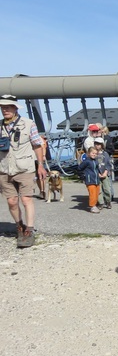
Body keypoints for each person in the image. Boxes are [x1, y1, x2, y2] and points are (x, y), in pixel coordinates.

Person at [0, 95, 48, 248]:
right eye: (2, 107)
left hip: (24, 168)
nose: (4, 109)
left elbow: (37, 145)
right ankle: (19, 225)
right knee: (11, 201)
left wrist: (40, 165)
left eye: (8, 106)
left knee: (26, 199)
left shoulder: (28, 124)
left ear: (15, 108)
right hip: (5, 169)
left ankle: (29, 230)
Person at [78, 146, 101, 214]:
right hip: (89, 180)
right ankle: (92, 206)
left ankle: (95, 204)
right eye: (92, 153)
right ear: (88, 153)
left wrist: (99, 174)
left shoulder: (96, 161)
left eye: (95, 153)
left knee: (97, 193)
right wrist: (83, 177)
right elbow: (79, 169)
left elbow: (96, 169)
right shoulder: (86, 161)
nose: (94, 154)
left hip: (96, 180)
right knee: (92, 194)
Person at [94, 137, 113, 209]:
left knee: (107, 189)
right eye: (96, 144)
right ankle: (100, 203)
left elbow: (108, 164)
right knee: (98, 190)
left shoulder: (105, 154)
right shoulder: (94, 154)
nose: (97, 146)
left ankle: (108, 201)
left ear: (102, 145)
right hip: (97, 175)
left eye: (99, 144)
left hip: (105, 174)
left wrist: (105, 172)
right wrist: (97, 173)